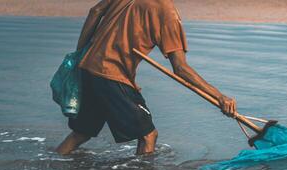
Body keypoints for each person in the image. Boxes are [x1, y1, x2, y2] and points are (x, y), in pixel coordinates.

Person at [56, 0, 237, 155]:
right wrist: (219, 97)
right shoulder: (166, 12)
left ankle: (56, 160)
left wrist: (79, 53)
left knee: (81, 134)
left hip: (87, 67)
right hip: (111, 75)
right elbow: (181, 68)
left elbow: (95, 11)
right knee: (148, 136)